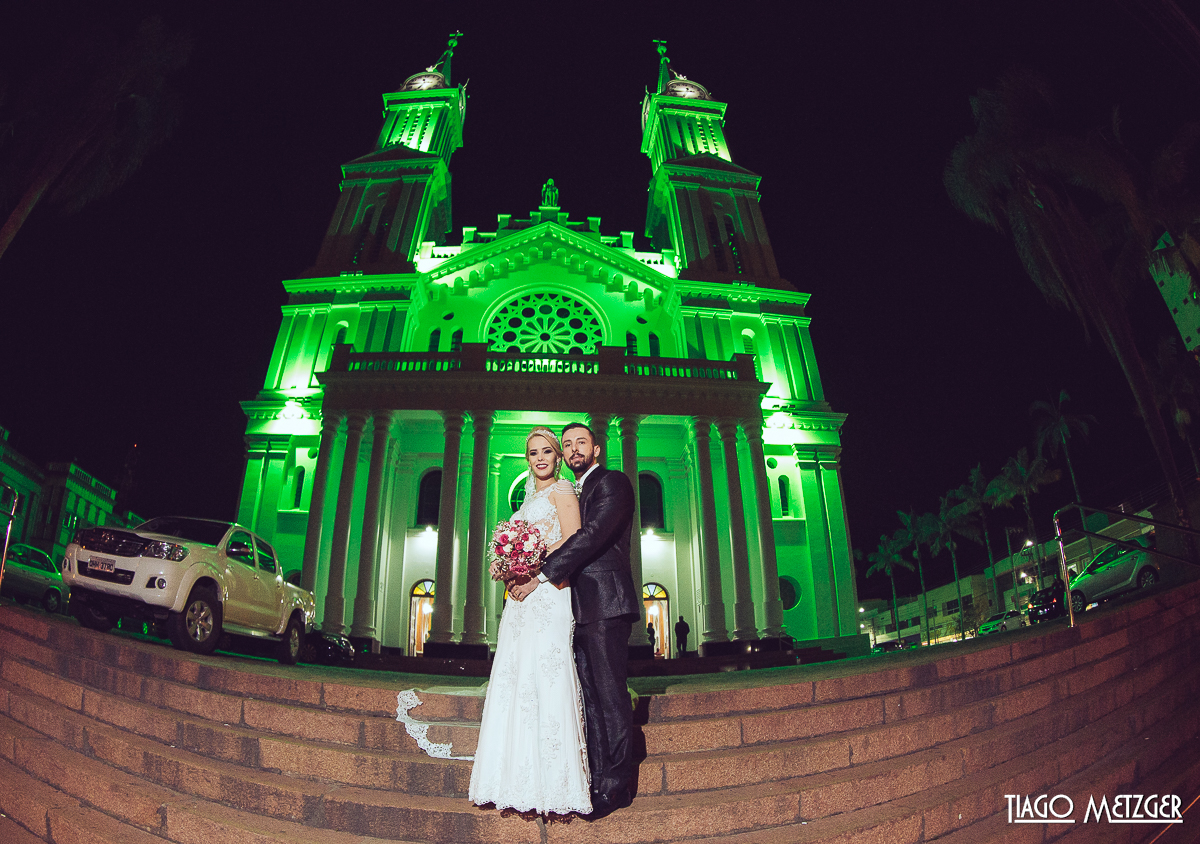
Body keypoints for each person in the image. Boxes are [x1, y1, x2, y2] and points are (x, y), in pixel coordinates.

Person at [510, 421, 639, 819]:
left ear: (596, 449)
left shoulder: (612, 483)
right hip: (575, 606)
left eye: (581, 442)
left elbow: (593, 535)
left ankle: (617, 787)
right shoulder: (574, 491)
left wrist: (540, 574)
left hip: (606, 604)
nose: (573, 449)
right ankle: (595, 780)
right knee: (590, 700)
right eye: (567, 445)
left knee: (611, 696)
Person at [468, 428, 591, 816]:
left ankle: (557, 786)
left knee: (547, 674)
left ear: (557, 457)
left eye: (547, 452)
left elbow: (573, 538)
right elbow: (521, 542)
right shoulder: (529, 499)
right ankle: (511, 779)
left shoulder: (563, 491)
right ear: (528, 459)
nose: (540, 458)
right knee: (515, 678)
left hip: (551, 592)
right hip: (521, 597)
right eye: (533, 453)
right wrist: (505, 565)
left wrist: (530, 562)